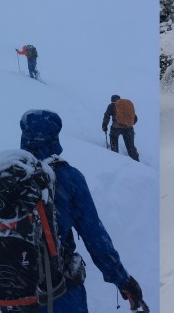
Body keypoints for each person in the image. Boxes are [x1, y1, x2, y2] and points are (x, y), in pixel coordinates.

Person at [19, 109, 147, 313]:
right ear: (54, 137)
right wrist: (123, 280)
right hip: (59, 290)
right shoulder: (67, 177)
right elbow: (94, 235)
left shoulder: (6, 176)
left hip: (12, 289)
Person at [102, 95, 140, 162]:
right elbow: (135, 119)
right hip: (129, 128)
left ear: (112, 100)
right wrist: (128, 123)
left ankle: (115, 160)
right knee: (131, 147)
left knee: (114, 145)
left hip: (116, 127)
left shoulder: (111, 106)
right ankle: (137, 162)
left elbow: (106, 116)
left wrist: (104, 126)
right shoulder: (127, 106)